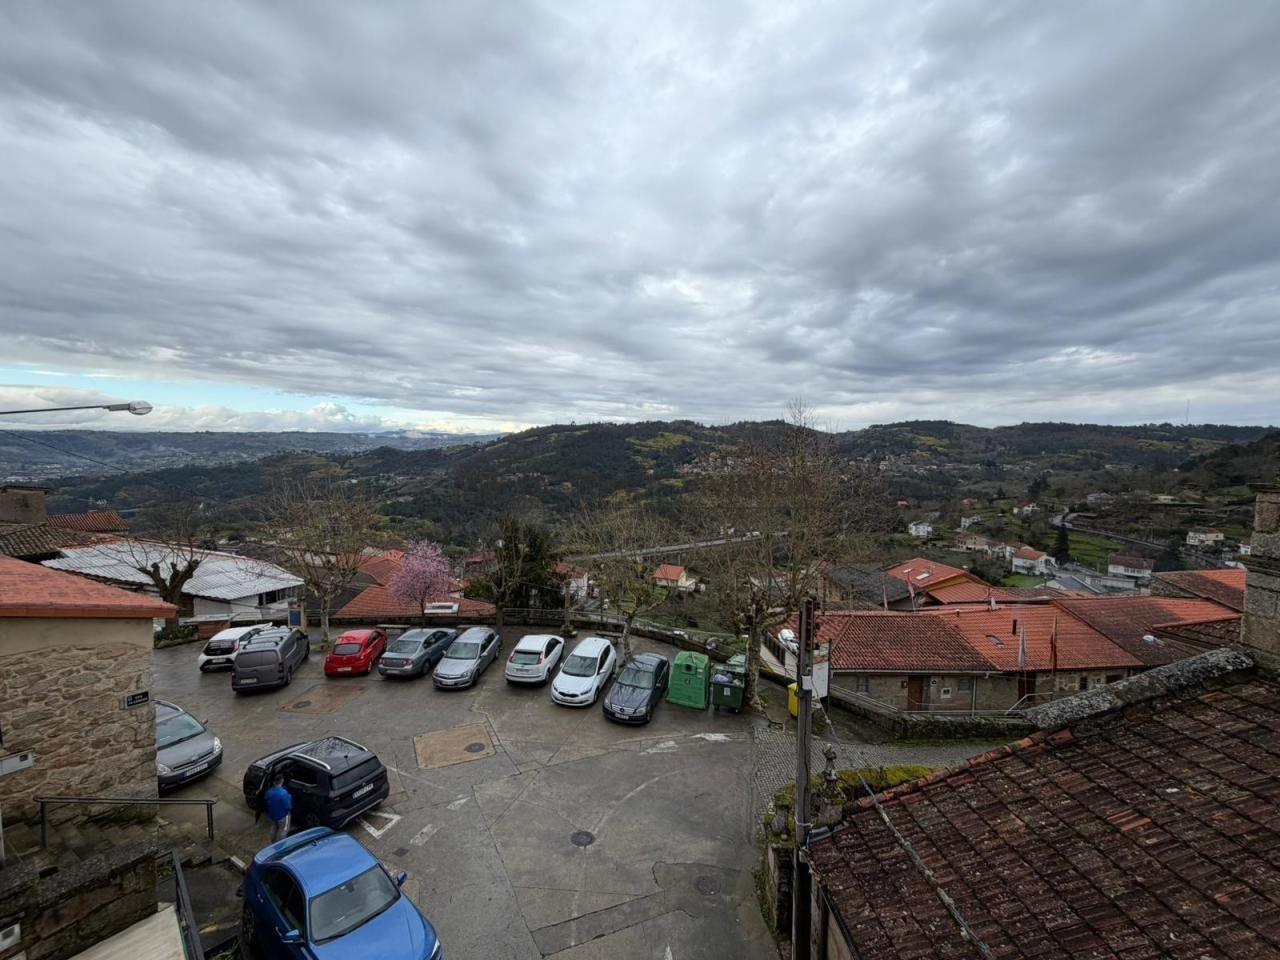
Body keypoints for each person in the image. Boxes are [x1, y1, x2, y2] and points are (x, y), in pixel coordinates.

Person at [263, 772, 292, 842]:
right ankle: (280, 844)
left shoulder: (268, 792)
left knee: (274, 827)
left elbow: (266, 800)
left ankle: (272, 841)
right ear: (282, 781)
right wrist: (290, 797)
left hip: (273, 815)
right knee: (283, 829)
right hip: (282, 816)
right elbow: (288, 806)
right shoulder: (283, 793)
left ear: (274, 782)